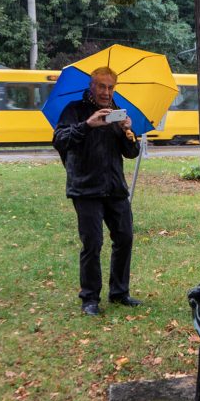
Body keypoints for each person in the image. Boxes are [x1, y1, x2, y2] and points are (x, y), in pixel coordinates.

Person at [53, 66, 142, 316]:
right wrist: (88, 124)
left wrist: (128, 131)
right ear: (91, 86)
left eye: (110, 87)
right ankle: (89, 298)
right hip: (85, 188)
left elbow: (131, 153)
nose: (106, 91)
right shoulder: (74, 110)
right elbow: (60, 140)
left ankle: (119, 293)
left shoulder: (117, 113)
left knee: (124, 238)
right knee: (92, 244)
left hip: (115, 188)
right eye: (101, 86)